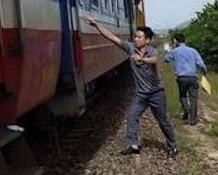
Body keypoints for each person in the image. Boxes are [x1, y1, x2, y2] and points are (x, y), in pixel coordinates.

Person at [83, 16, 177, 157]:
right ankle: (133, 144)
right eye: (136, 37)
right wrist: (96, 25)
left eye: (139, 37)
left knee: (162, 120)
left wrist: (142, 59)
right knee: (132, 116)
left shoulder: (152, 51)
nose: (136, 39)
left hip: (156, 93)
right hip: (141, 94)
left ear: (148, 40)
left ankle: (173, 146)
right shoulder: (130, 48)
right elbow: (112, 37)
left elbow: (155, 60)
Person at [163, 33, 207, 125]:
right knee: (193, 98)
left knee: (183, 96)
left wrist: (172, 49)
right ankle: (193, 120)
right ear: (184, 40)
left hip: (181, 78)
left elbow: (166, 59)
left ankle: (187, 111)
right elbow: (201, 64)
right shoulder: (193, 50)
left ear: (176, 41)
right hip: (193, 78)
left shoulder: (175, 51)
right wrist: (204, 73)